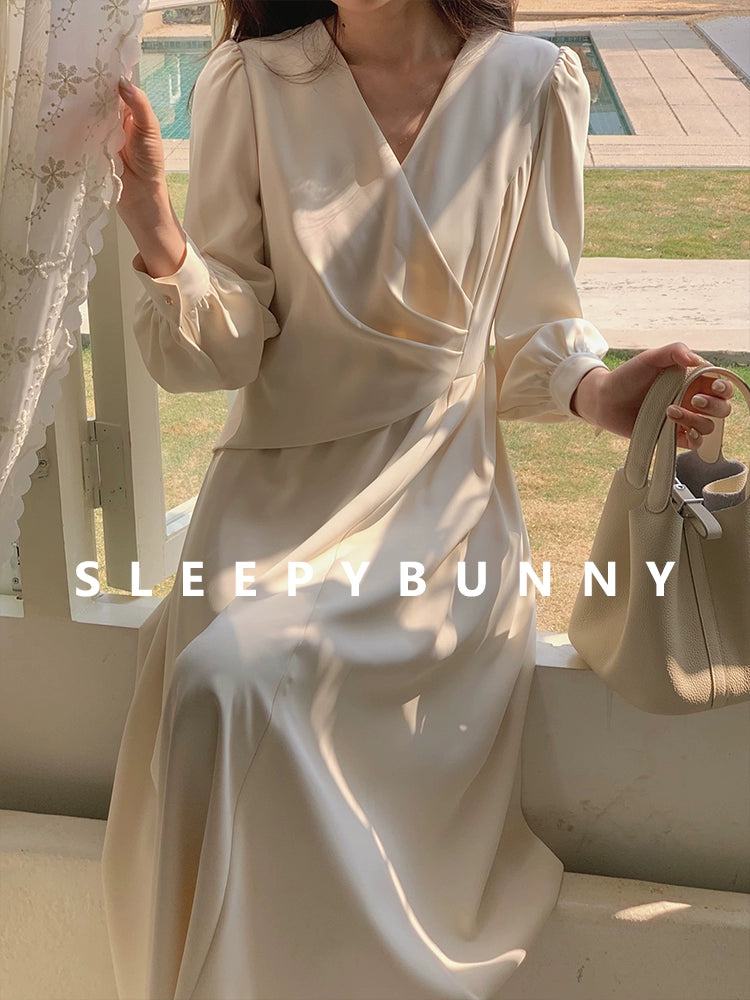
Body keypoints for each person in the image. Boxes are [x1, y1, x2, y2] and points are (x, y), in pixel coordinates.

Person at [101, 2, 734, 998]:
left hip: (439, 506)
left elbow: (535, 327)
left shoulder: (530, 82)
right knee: (216, 691)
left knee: (227, 681)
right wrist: (156, 227)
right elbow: (221, 349)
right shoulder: (250, 79)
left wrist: (602, 394)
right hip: (269, 497)